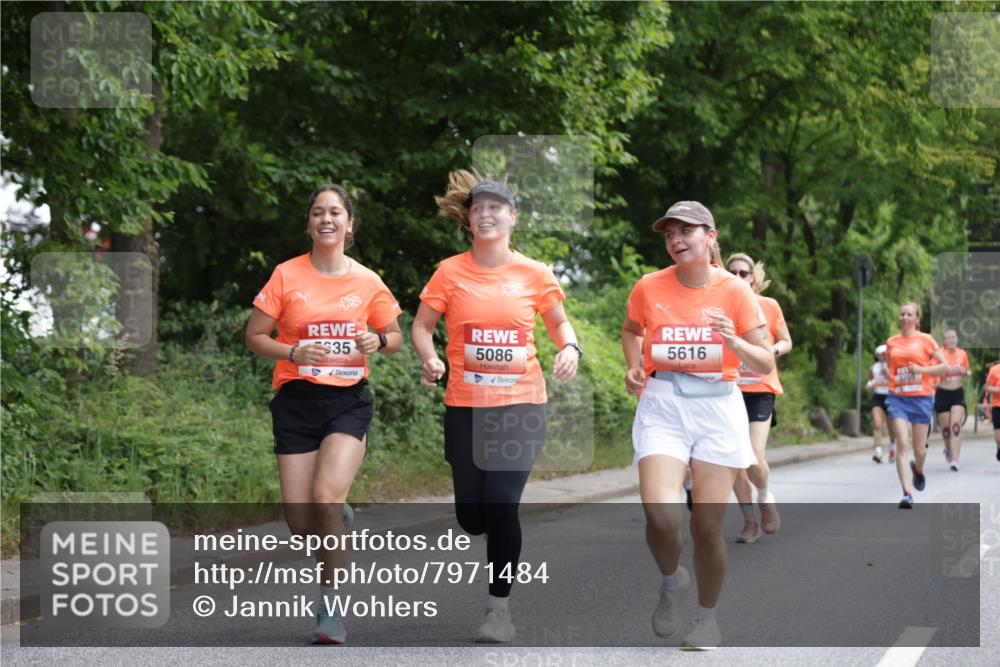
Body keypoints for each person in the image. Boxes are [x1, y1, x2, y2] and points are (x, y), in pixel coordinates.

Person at [412, 171, 580, 643]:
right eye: (477, 208)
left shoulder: (535, 273)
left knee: (504, 505)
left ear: (512, 217)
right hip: (465, 405)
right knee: (473, 517)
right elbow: (423, 327)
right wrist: (429, 358)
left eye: (495, 207)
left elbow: (560, 324)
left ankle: (498, 610)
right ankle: (484, 528)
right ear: (468, 219)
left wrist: (570, 349)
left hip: (520, 404)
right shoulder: (450, 271)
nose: (485, 214)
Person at [246, 184, 403, 644]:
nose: (327, 219)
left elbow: (392, 335)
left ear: (349, 224)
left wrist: (378, 341)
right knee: (301, 523)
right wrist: (293, 349)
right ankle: (338, 521)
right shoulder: (285, 275)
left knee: (325, 498)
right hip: (295, 401)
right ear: (309, 223)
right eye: (318, 212)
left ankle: (330, 608)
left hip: (347, 403)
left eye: (336, 212)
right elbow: (256, 336)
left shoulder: (367, 281)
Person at [622, 201, 772, 650]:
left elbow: (764, 360)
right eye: (669, 234)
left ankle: (706, 619)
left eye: (686, 230)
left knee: (706, 529)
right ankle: (672, 582)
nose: (676, 240)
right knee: (660, 514)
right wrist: (633, 366)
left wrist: (733, 340)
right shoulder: (649, 287)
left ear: (711, 236)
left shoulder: (736, 291)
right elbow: (631, 330)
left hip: (717, 405)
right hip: (664, 400)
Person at [725, 253, 791, 543]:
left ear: (753, 277)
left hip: (761, 389)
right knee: (735, 461)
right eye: (733, 273)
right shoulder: (719, 306)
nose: (739, 278)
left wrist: (770, 352)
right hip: (727, 389)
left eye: (744, 273)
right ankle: (749, 521)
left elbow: (786, 340)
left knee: (752, 455)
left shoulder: (768, 305)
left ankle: (764, 497)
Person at [884, 302, 948, 509]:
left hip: (921, 398)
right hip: (897, 398)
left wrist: (921, 370)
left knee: (919, 449)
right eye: (902, 314)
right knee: (902, 442)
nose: (904, 317)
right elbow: (889, 366)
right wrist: (889, 376)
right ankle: (907, 493)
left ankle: (918, 469)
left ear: (917, 319)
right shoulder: (892, 342)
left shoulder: (926, 340)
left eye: (909, 314)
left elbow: (944, 366)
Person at [934, 329, 971, 471]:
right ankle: (948, 449)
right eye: (948, 337)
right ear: (944, 340)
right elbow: (933, 373)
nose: (951, 340)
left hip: (957, 393)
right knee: (945, 430)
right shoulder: (939, 354)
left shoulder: (962, 354)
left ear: (957, 339)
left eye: (954, 337)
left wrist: (965, 372)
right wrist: (944, 371)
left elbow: (969, 371)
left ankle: (955, 459)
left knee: (955, 427)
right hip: (943, 393)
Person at [866, 345, 896, 463]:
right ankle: (878, 452)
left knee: (891, 427)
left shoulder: (892, 366)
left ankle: (893, 448)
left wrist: (887, 374)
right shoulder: (873, 367)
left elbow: (896, 381)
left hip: (890, 397)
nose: (881, 356)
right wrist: (869, 385)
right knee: (877, 425)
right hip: (877, 397)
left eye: (884, 354)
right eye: (879, 354)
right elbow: (871, 380)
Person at [985, 359, 1000, 462]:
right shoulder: (994, 370)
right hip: (998, 406)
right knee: (998, 438)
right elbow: (987, 387)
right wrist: (998, 390)